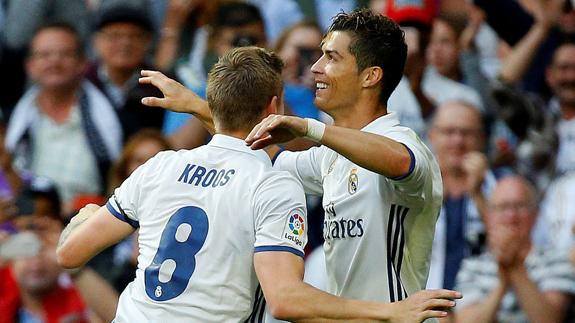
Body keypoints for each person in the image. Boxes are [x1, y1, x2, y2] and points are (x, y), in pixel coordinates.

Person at [58, 46, 459, 322]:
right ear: (274, 107)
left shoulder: (157, 167)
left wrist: (84, 219)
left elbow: (69, 254)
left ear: (213, 103)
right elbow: (285, 300)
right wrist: (390, 312)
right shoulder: (273, 187)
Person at [140, 8, 444, 304]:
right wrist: (197, 105)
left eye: (332, 58)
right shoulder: (330, 157)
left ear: (370, 76)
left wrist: (308, 128)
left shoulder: (402, 143)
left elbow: (401, 162)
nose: (316, 68)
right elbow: (258, 150)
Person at [4, 22, 122, 213]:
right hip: (26, 223)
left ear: (83, 63)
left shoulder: (113, 117)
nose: (54, 62)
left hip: (90, 224)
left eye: (65, 54)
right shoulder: (12, 123)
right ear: (30, 66)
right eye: (44, 55)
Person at [454, 176, 575, 323]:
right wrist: (502, 286)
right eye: (503, 207)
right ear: (489, 216)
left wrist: (515, 268)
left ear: (536, 215)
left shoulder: (558, 261)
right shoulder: (472, 266)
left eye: (519, 206)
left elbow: (550, 319)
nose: (511, 215)